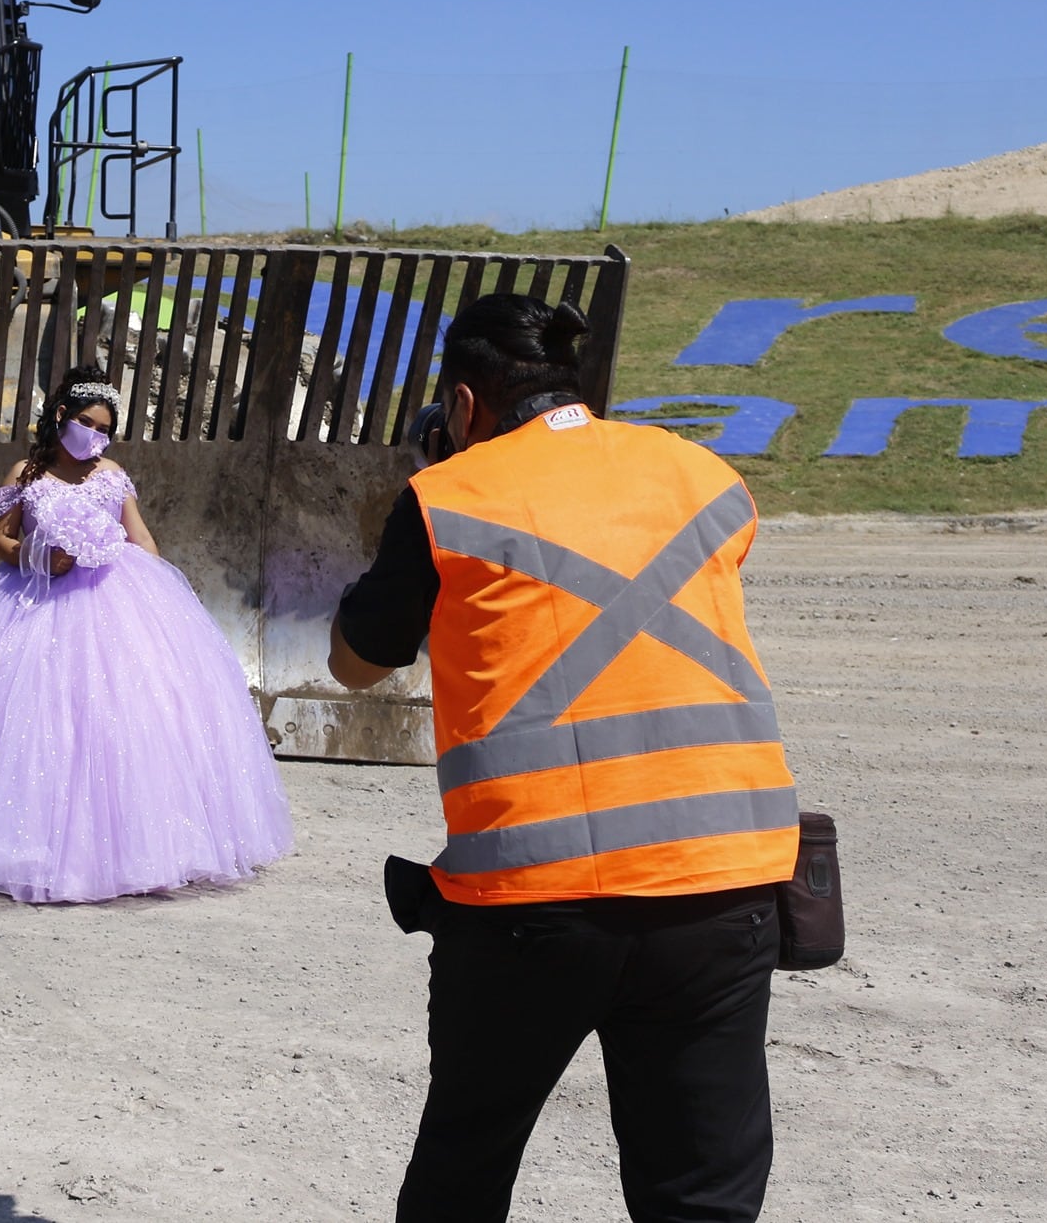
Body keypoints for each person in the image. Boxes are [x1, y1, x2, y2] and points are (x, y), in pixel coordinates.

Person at [328, 294, 801, 1223]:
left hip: (532, 905)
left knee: (464, 1174)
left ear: (464, 405)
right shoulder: (705, 473)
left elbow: (356, 664)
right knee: (700, 1196)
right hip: (722, 889)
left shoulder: (447, 496)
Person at [0, 364, 295, 903]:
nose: (96, 437)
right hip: (33, 601)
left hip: (113, 601)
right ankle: (25, 845)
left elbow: (144, 541)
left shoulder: (111, 474)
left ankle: (133, 847)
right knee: (33, 719)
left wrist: (124, 563)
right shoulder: (25, 472)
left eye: (105, 429)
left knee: (125, 717)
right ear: (61, 416)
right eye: (88, 423)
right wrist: (38, 555)